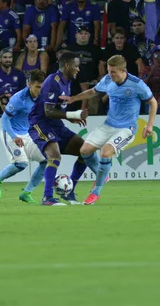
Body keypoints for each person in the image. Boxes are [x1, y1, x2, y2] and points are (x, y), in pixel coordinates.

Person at [61, 55, 157, 205]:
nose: (110, 75)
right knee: (84, 150)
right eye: (109, 71)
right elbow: (93, 91)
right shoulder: (107, 80)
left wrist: (149, 125)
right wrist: (74, 99)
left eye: (113, 72)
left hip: (126, 128)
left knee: (106, 152)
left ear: (123, 70)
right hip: (108, 125)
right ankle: (102, 174)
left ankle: (95, 192)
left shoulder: (136, 84)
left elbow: (153, 102)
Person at [27, 51, 100, 206]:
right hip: (40, 124)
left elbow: (56, 109)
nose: (78, 69)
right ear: (67, 66)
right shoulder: (53, 81)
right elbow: (48, 111)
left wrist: (70, 118)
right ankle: (47, 197)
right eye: (76, 66)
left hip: (56, 125)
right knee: (54, 156)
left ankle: (70, 192)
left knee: (85, 151)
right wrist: (73, 113)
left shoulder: (67, 82)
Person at [0, 69, 48, 204]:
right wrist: (14, 136)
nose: (40, 90)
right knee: (21, 164)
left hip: (27, 133)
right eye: (37, 87)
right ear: (30, 84)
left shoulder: (43, 96)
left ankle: (27, 193)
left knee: (47, 160)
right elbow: (4, 119)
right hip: (10, 132)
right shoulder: (19, 99)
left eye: (42, 86)